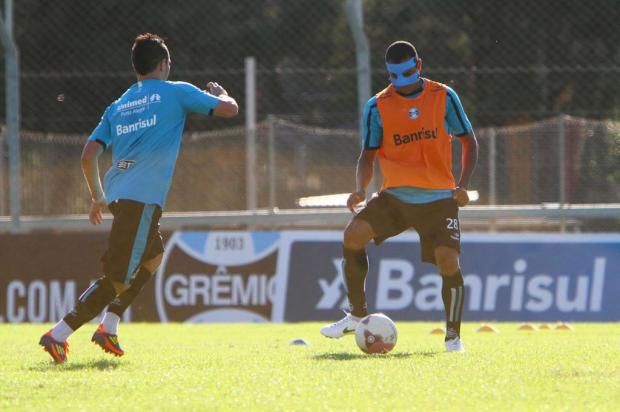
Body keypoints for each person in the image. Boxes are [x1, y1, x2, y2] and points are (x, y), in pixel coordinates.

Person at [39, 33, 239, 363]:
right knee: (117, 278)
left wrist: (97, 197)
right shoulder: (176, 91)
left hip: (120, 196)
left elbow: (89, 154)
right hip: (142, 199)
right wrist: (221, 94)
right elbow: (230, 110)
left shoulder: (118, 105)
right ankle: (58, 333)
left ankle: (110, 324)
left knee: (152, 258)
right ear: (163, 64)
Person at [320, 40, 478, 352]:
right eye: (395, 76)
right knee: (353, 235)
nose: (401, 82)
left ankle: (453, 337)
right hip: (394, 197)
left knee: (448, 261)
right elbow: (368, 155)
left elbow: (468, 140)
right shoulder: (377, 106)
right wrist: (360, 188)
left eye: (407, 73)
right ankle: (356, 314)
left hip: (438, 198)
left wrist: (462, 185)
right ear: (388, 74)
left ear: (419, 65)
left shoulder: (444, 96)